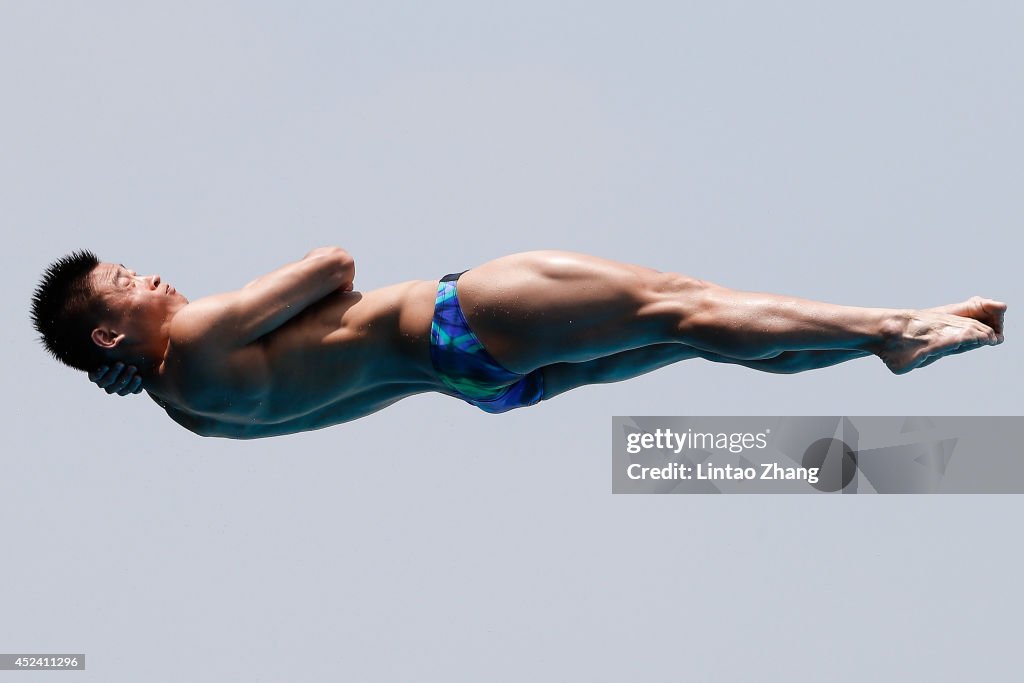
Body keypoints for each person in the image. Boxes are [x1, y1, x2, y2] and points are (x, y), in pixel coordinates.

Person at [31, 248, 1006, 439]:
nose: (156, 277)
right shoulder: (198, 332)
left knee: (699, 330)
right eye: (131, 282)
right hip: (455, 314)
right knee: (687, 301)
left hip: (483, 387)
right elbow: (333, 263)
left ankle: (888, 335)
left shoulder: (195, 414)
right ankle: (892, 328)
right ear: (112, 328)